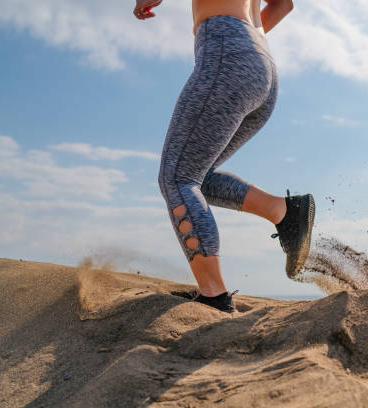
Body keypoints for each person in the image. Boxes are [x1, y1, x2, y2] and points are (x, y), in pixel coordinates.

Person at [133, 0, 315, 313]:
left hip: (226, 53)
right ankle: (283, 211)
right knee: (197, 177)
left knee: (177, 177)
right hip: (261, 64)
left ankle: (214, 297)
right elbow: (283, 5)